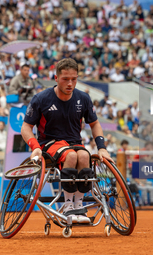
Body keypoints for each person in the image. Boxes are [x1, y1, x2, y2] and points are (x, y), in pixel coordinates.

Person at [21, 58, 113, 224]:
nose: (70, 83)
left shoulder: (83, 98)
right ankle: (68, 205)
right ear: (56, 78)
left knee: (84, 157)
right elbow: (26, 127)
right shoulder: (41, 99)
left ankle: (79, 205)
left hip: (74, 143)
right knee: (71, 156)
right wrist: (34, 147)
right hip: (49, 143)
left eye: (74, 79)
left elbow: (95, 124)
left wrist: (102, 147)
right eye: (65, 79)